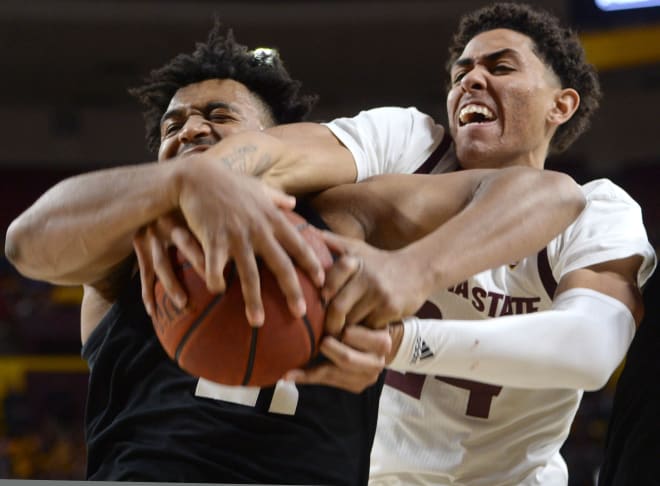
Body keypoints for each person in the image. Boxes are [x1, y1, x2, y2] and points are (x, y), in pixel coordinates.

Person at [4, 20, 587, 485]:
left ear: (270, 142)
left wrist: (413, 269)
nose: (189, 131)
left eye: (218, 116)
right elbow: (25, 243)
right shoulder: (126, 245)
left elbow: (549, 192)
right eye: (172, 125)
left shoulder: (336, 218)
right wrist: (181, 186)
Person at [276, 3, 655, 485]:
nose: (470, 81)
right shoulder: (409, 146)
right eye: (462, 72)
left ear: (560, 105)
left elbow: (592, 346)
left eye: (499, 67)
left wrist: (404, 342)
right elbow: (282, 158)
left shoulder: (597, 209)